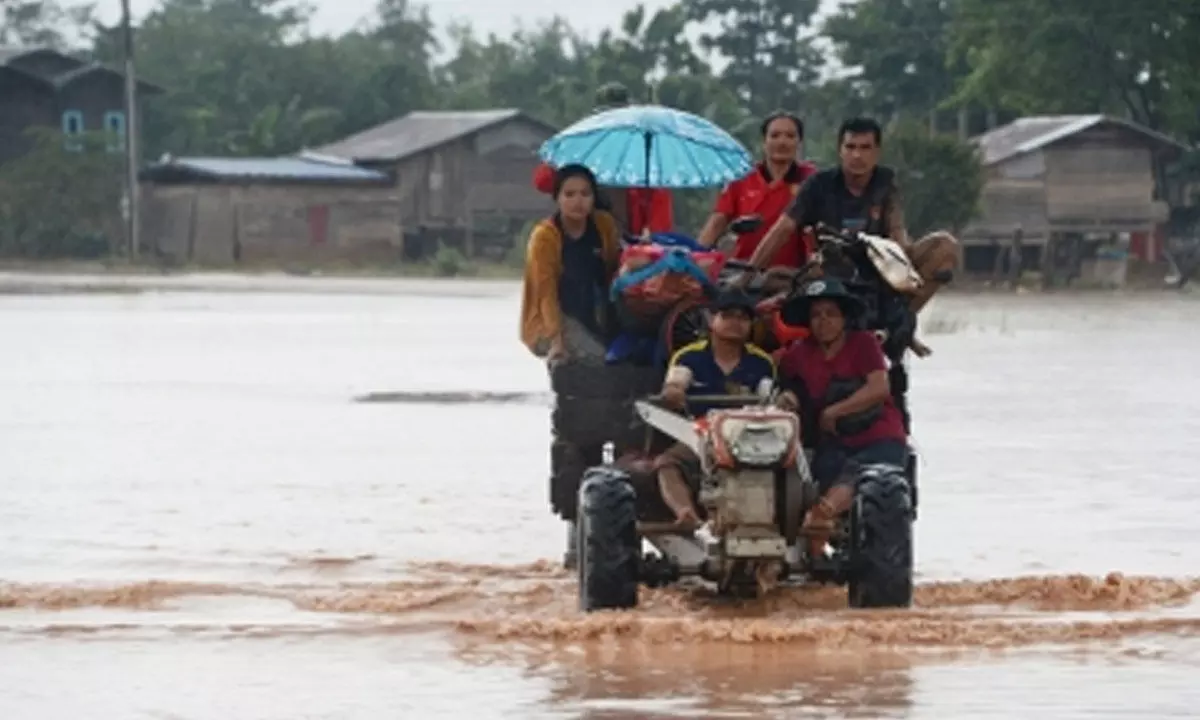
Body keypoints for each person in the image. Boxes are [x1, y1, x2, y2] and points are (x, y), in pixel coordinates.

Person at [744, 117, 960, 313]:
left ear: (877, 152)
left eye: (865, 148)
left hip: (881, 266)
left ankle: (902, 320)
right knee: (772, 278)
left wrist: (901, 259)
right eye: (851, 147)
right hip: (829, 270)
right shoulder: (819, 184)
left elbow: (897, 230)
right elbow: (783, 228)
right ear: (840, 150)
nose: (857, 155)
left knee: (945, 246)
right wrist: (749, 272)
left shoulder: (885, 182)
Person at [774, 279, 908, 558]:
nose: (823, 321)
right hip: (833, 442)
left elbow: (879, 387)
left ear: (844, 318)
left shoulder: (864, 344)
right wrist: (787, 398)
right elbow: (784, 381)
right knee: (815, 478)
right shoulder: (798, 354)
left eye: (831, 314)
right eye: (816, 315)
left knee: (860, 474)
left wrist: (835, 411)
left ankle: (823, 515)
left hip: (878, 435)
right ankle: (814, 555)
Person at [653, 289, 776, 528]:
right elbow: (677, 381)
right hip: (701, 433)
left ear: (751, 325)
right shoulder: (689, 357)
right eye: (728, 315)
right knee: (667, 463)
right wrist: (674, 391)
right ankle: (686, 513)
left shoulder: (762, 362)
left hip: (750, 436)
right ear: (712, 320)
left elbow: (769, 397)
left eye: (743, 318)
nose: (735, 323)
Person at [532, 83, 674, 237]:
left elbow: (661, 224)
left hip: (626, 247)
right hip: (582, 242)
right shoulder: (581, 154)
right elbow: (543, 182)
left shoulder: (643, 165)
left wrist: (652, 247)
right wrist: (567, 155)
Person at [520, 164, 623, 362]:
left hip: (591, 311)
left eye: (585, 194)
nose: (578, 202)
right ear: (557, 198)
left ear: (594, 197)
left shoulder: (603, 224)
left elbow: (612, 268)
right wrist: (556, 340)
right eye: (569, 195)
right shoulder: (545, 237)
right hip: (549, 319)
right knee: (599, 359)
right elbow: (545, 294)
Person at [696, 111, 819, 267]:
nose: (782, 142)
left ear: (799, 142)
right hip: (739, 270)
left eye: (790, 136)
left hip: (790, 276)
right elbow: (717, 223)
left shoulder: (812, 179)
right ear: (764, 142)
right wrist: (696, 257)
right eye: (775, 135)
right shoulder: (741, 177)